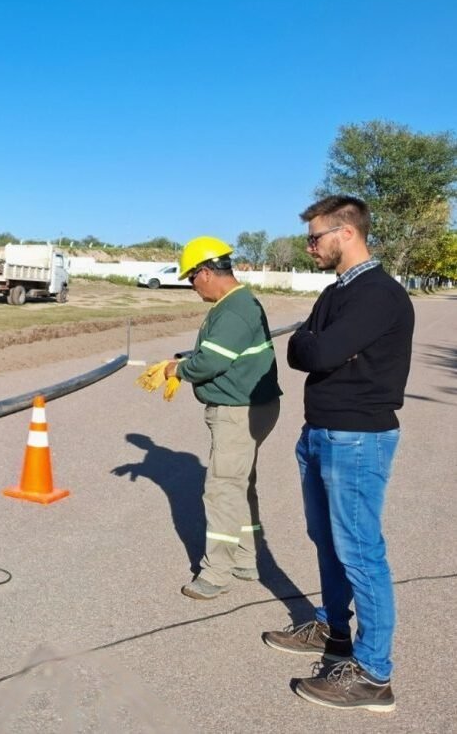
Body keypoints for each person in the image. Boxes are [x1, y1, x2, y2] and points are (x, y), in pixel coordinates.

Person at [263, 195, 413, 712]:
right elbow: (299, 347)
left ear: (346, 233)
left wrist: (314, 344)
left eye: (315, 237)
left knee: (361, 551)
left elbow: (315, 351)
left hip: (356, 437)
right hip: (320, 432)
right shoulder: (337, 293)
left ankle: (374, 675)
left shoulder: (378, 295)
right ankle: (334, 632)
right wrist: (312, 343)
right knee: (326, 540)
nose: (310, 247)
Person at [141, 236, 282, 600]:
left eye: (191, 278)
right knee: (239, 484)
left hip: (239, 411)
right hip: (250, 407)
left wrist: (175, 369)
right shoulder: (236, 303)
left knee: (221, 489)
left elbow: (211, 362)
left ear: (205, 272)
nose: (191, 285)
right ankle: (247, 560)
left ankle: (216, 573)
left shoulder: (234, 309)